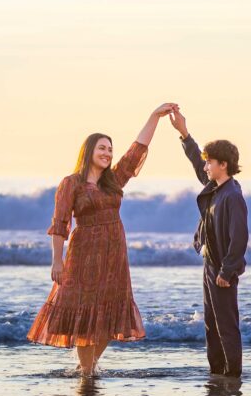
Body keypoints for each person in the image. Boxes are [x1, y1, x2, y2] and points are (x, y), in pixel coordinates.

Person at [28, 104, 175, 374]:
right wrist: (56, 260)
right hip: (84, 254)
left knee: (112, 313)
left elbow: (136, 150)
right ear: (89, 152)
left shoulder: (114, 181)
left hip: (114, 254)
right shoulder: (71, 183)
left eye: (110, 149)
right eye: (102, 148)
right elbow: (60, 224)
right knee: (85, 311)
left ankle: (90, 365)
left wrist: (154, 117)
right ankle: (86, 372)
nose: (107, 153)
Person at [169, 107, 249, 378]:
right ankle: (217, 376)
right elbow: (195, 162)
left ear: (222, 165)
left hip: (223, 269)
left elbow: (239, 238)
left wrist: (227, 272)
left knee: (226, 326)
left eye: (209, 162)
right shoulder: (216, 187)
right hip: (210, 265)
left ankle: (233, 377)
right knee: (211, 325)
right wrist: (184, 133)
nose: (205, 167)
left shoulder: (232, 196)